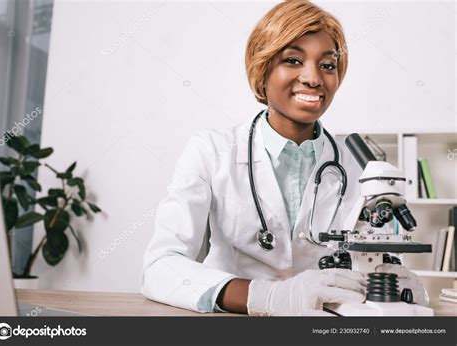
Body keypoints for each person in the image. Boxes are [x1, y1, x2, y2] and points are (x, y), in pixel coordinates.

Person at [141, 0, 428, 316]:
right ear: (262, 69)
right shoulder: (211, 150)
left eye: (328, 65)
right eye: (292, 60)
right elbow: (160, 266)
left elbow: (380, 257)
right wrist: (266, 297)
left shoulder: (358, 164)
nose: (313, 79)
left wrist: (401, 287)